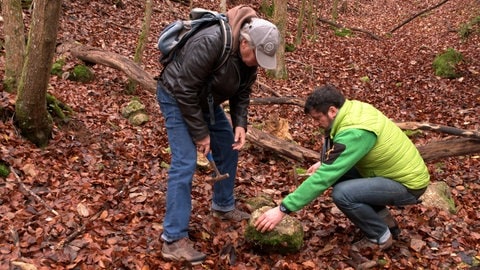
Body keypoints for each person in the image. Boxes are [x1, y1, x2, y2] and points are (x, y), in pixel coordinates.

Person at [156, 5, 280, 265]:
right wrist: (201, 134)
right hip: (177, 96)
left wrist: (240, 124)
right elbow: (185, 90)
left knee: (229, 145)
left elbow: (242, 92)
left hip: (206, 100)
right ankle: (173, 239)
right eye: (256, 56)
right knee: (185, 162)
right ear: (245, 42)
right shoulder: (212, 40)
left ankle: (223, 206)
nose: (257, 63)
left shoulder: (249, 58)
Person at [254, 85, 430, 253]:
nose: (315, 123)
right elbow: (342, 153)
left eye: (317, 118)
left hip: (408, 184)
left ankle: (380, 237)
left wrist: (282, 209)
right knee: (340, 177)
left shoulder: (355, 131)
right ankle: (386, 223)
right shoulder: (353, 109)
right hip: (387, 173)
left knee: (342, 193)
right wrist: (325, 163)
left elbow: (324, 177)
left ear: (332, 111)